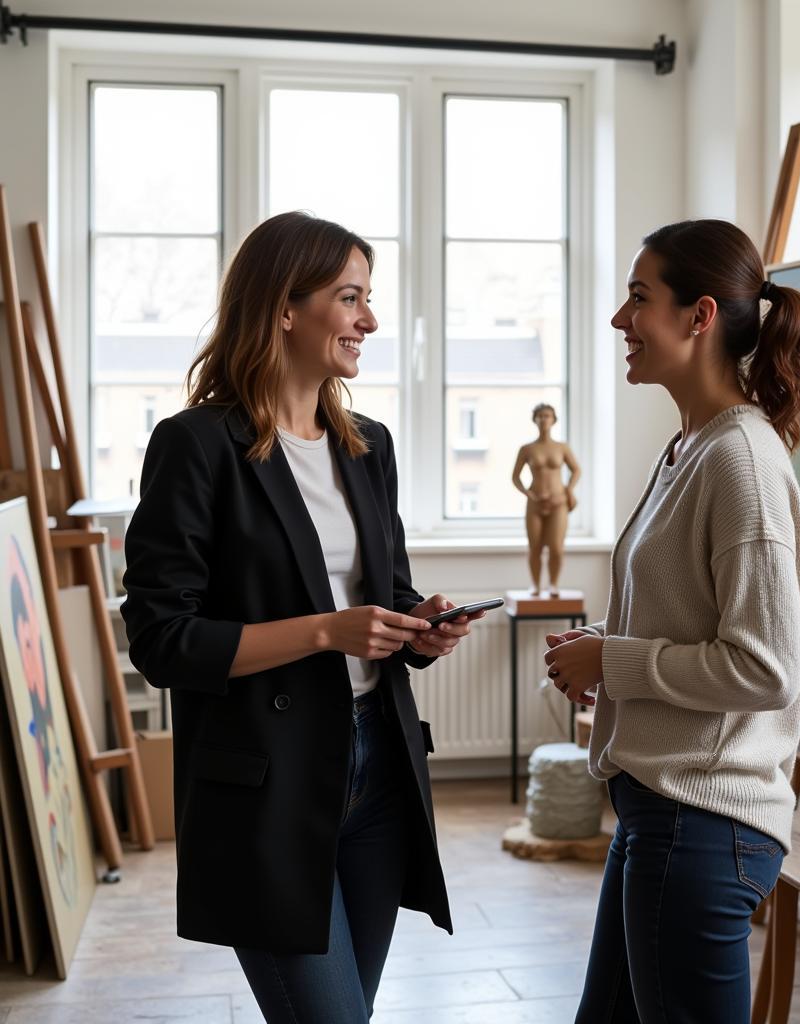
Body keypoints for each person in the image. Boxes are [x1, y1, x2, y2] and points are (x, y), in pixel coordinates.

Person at [121, 211, 487, 1023]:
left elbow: (384, 598)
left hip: (379, 769)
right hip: (266, 785)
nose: (370, 319)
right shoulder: (197, 444)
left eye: (368, 298)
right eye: (350, 297)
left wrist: (421, 626)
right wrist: (326, 631)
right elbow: (161, 639)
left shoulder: (368, 445)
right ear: (286, 307)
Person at [543, 219, 800, 1023]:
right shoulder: (691, 447)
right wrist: (604, 652)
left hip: (701, 826)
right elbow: (687, 614)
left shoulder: (742, 462)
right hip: (660, 815)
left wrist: (616, 662)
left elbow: (769, 669)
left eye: (639, 297)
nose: (619, 320)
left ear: (699, 317)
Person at [511, 403, 581, 596]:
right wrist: (528, 493)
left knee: (556, 548)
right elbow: (515, 477)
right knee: (535, 547)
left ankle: (553, 584)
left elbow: (576, 470)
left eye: (548, 416)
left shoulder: (562, 447)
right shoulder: (527, 449)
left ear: (554, 420)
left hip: (558, 502)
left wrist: (568, 490)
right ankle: (535, 584)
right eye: (540, 416)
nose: (544, 419)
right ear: (535, 419)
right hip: (535, 503)